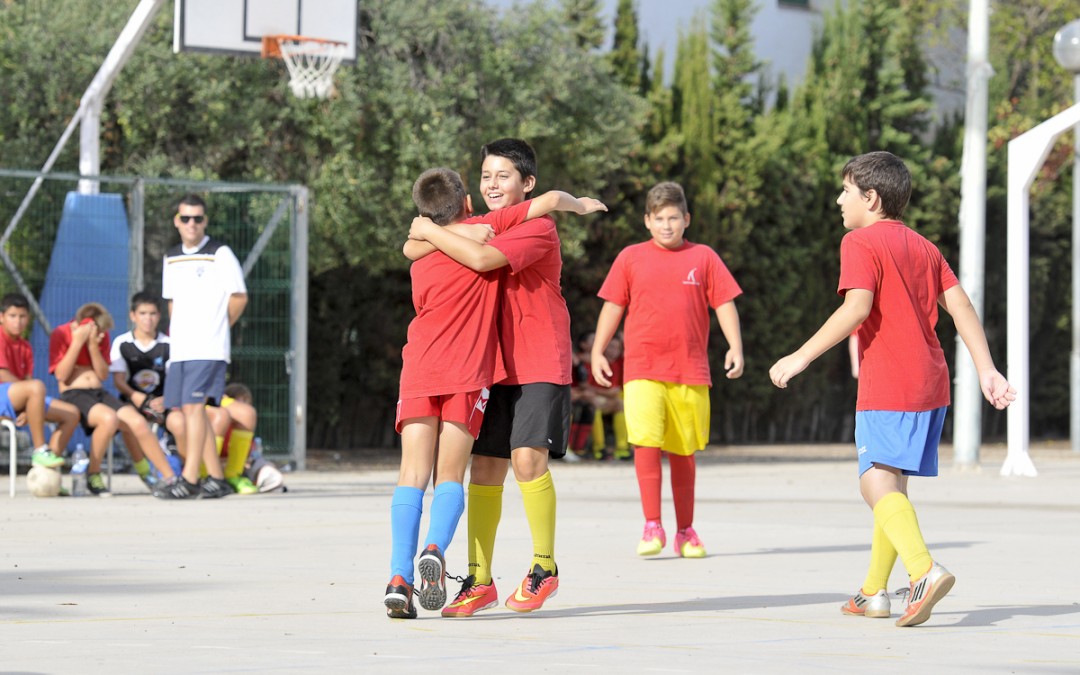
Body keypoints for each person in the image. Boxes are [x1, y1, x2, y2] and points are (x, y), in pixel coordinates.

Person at [768, 151, 1015, 627]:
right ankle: (873, 592)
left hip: (890, 383)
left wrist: (799, 357)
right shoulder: (923, 246)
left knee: (874, 483)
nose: (839, 200)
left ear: (871, 198)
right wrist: (987, 369)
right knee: (893, 484)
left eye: (845, 190)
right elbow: (960, 304)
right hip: (931, 383)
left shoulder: (860, 243)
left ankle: (922, 570)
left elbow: (856, 308)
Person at [387, 166, 606, 620]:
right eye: (485, 176)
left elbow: (413, 243)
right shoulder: (483, 231)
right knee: (455, 476)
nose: (491, 184)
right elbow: (541, 205)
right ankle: (447, 556)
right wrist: (580, 203)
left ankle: (399, 577)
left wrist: (425, 229)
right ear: (468, 201)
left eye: (501, 175)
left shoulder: (425, 248)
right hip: (468, 373)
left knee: (412, 475)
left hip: (420, 368)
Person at [591, 181, 744, 559]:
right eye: (659, 218)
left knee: (683, 451)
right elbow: (613, 305)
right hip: (642, 367)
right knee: (645, 442)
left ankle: (686, 531)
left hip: (690, 369)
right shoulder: (630, 257)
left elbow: (724, 303)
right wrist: (597, 350)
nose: (666, 225)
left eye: (673, 217)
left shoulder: (705, 257)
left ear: (686, 219)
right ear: (647, 221)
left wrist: (735, 347)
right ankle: (652, 525)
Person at [156, 194, 248, 499]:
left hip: (208, 348)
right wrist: (179, 336)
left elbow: (239, 297)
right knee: (191, 413)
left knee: (195, 410)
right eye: (186, 218)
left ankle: (191, 478)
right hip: (181, 349)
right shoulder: (171, 257)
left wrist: (219, 330)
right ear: (177, 222)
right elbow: (172, 303)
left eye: (197, 218)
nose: (191, 224)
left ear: (205, 221)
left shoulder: (219, 253)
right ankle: (217, 479)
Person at [49, 302, 178, 496]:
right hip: (74, 394)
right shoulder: (62, 333)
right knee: (109, 419)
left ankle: (167, 478)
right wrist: (77, 342)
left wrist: (93, 345)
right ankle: (93, 474)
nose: (102, 336)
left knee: (137, 422)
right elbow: (61, 375)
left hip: (98, 393)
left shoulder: (100, 337)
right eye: (98, 332)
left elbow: (102, 375)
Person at [0, 292, 79, 468]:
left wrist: (30, 408)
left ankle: (45, 471)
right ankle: (39, 449)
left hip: (18, 396)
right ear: (1, 317)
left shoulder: (25, 346)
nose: (17, 321)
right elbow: (3, 375)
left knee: (72, 413)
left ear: (28, 318)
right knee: (36, 387)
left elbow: (27, 380)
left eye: (22, 316)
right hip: (4, 396)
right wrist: (28, 398)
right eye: (12, 316)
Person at [109, 291, 179, 484]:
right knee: (132, 422)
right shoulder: (122, 343)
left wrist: (166, 399)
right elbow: (119, 381)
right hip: (132, 400)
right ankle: (145, 472)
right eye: (143, 313)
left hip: (162, 402)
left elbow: (175, 379)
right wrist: (135, 395)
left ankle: (188, 470)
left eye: (153, 313)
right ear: (133, 315)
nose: (148, 319)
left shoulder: (168, 345)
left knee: (180, 422)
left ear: (159, 316)